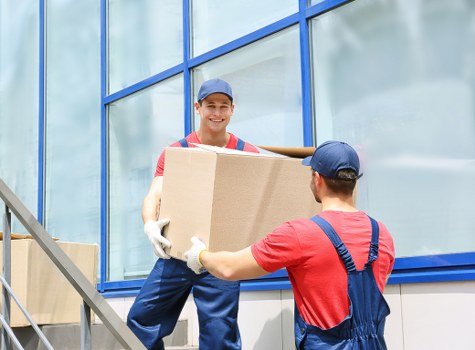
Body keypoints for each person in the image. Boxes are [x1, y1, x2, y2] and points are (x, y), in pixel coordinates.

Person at [185, 140, 395, 349]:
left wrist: (201, 255)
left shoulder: (300, 233)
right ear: (354, 181)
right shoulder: (382, 234)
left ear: (317, 178)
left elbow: (228, 268)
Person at [127, 78, 259, 350]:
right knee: (141, 320)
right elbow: (154, 194)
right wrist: (150, 224)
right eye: (211, 106)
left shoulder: (248, 154)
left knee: (219, 337)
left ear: (233, 110)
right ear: (198, 107)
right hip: (177, 253)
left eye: (224, 106)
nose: (217, 113)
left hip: (220, 258)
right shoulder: (176, 152)